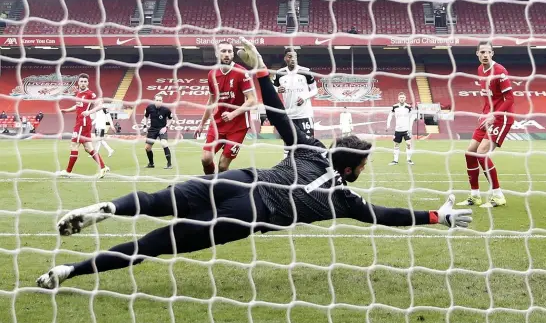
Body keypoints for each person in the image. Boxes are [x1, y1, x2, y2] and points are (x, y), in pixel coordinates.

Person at [35, 37, 473, 289]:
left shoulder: (309, 148)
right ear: (354, 168)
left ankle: (107, 209)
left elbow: (278, 114)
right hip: (252, 214)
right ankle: (67, 272)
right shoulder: (344, 197)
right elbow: (388, 216)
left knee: (154, 199)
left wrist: (262, 72)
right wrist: (437, 215)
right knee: (153, 246)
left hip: (241, 179)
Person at [457, 42, 514, 208]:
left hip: (502, 118)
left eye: (488, 52)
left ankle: (498, 195)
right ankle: (475, 196)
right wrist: (484, 114)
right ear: (477, 54)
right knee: (470, 153)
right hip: (488, 116)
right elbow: (489, 98)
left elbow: (510, 99)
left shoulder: (500, 72)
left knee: (481, 153)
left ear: (492, 53)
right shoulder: (480, 70)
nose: (485, 55)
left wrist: (493, 115)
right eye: (482, 52)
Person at [195, 41, 257, 174]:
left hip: (238, 126)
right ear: (217, 54)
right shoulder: (212, 74)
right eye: (223, 51)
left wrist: (233, 114)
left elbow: (252, 100)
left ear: (233, 54)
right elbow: (211, 101)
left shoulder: (241, 72)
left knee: (223, 165)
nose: (227, 54)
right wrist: (201, 124)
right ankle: (210, 186)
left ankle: (221, 188)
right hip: (218, 124)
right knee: (206, 158)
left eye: (229, 51)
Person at [56, 73, 110, 178]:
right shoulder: (79, 93)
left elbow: (100, 105)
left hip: (83, 123)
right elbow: (77, 106)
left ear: (88, 83)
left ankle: (68, 171)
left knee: (74, 145)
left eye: (85, 81)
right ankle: (103, 167)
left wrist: (89, 112)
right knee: (88, 147)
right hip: (81, 122)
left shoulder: (90, 94)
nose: (83, 83)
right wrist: (66, 110)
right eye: (81, 81)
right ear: (78, 82)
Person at [274, 48, 318, 158]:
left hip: (304, 115)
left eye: (295, 57)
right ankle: (286, 169)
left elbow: (315, 90)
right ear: (285, 58)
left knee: (308, 144)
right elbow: (272, 87)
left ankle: (308, 168)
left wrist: (304, 96)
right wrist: (277, 90)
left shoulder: (305, 71)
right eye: (290, 56)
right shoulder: (279, 74)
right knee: (288, 146)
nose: (293, 59)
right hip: (289, 115)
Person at [143, 95, 174, 169]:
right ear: (154, 100)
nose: (158, 102)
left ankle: (169, 164)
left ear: (162, 101)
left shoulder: (166, 109)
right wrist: (145, 126)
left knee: (164, 143)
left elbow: (171, 119)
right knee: (147, 148)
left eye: (160, 100)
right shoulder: (149, 107)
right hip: (152, 129)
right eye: (157, 100)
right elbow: (146, 116)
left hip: (162, 129)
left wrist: (166, 127)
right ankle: (151, 164)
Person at [386, 92, 415, 165]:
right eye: (400, 97)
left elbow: (413, 116)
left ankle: (409, 160)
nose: (402, 98)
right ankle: (395, 160)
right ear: (398, 98)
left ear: (405, 98)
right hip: (398, 129)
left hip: (406, 129)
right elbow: (390, 115)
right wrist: (388, 124)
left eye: (403, 97)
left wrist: (410, 127)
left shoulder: (408, 107)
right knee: (396, 145)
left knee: (408, 144)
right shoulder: (395, 107)